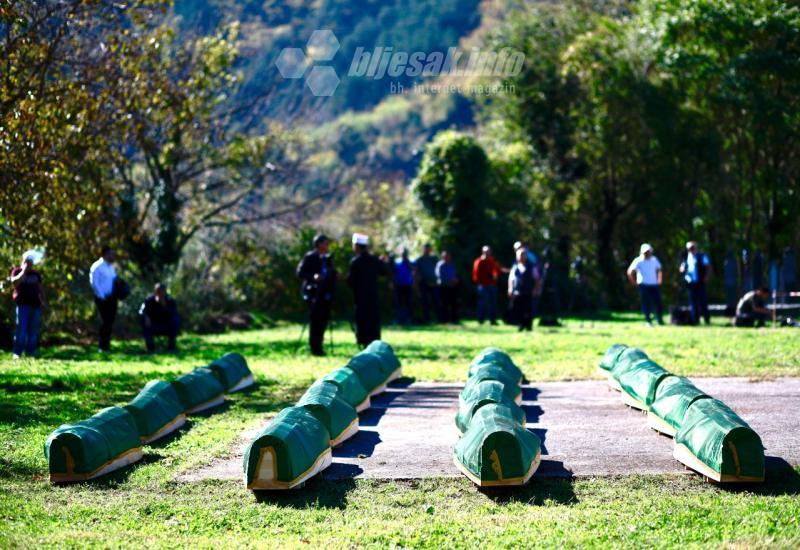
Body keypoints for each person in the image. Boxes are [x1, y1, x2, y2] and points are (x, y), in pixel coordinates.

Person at [296, 234, 337, 356]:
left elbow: (331, 273)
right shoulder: (310, 257)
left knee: (324, 319)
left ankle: (320, 345)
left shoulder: (327, 258)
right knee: (315, 320)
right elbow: (300, 272)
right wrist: (313, 277)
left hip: (325, 293)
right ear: (318, 244)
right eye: (325, 243)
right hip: (313, 293)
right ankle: (314, 347)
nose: (327, 246)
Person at [347, 233, 387, 347]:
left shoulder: (355, 261)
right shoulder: (374, 260)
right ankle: (374, 342)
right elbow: (384, 271)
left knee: (362, 319)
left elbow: (351, 281)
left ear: (356, 246)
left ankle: (363, 341)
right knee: (373, 320)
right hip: (373, 295)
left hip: (360, 297)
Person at [9, 252, 45, 359]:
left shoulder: (36, 274)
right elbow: (14, 283)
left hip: (35, 305)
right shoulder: (17, 271)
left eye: (30, 263)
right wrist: (23, 272)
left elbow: (40, 289)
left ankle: (31, 352)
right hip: (22, 305)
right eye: (26, 262)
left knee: (33, 331)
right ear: (22, 261)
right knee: (21, 329)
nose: (28, 264)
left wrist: (44, 301)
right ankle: (17, 353)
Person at [627, 243, 664, 326]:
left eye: (648, 251)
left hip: (654, 284)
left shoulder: (654, 260)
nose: (647, 253)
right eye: (646, 252)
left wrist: (660, 279)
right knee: (646, 303)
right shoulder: (638, 260)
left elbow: (659, 270)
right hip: (643, 285)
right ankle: (648, 321)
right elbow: (630, 272)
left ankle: (659, 320)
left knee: (658, 302)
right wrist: (634, 282)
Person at [90, 246, 118, 352]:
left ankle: (107, 345)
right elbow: (94, 283)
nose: (112, 256)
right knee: (104, 322)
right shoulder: (97, 266)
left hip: (112, 298)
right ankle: (101, 346)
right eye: (110, 254)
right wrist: (102, 296)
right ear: (104, 254)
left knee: (109, 322)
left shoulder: (111, 267)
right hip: (102, 298)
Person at [139, 283, 180, 353]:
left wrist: (164, 305)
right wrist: (146, 317)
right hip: (153, 325)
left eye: (161, 292)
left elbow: (174, 313)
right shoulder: (149, 300)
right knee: (144, 322)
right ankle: (150, 348)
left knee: (176, 320)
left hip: (166, 325)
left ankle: (171, 347)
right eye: (158, 291)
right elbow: (141, 311)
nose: (159, 294)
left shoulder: (170, 300)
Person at [472, 246, 507, 325]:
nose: (488, 253)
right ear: (483, 252)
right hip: (483, 286)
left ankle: (493, 320)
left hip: (492, 285)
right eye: (486, 251)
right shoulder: (479, 261)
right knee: (482, 303)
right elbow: (475, 275)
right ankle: (480, 320)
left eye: (489, 251)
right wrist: (480, 283)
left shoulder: (491, 260)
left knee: (493, 303)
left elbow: (498, 269)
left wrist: (508, 270)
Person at [680, 241, 712, 325]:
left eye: (692, 248)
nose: (691, 250)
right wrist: (682, 270)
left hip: (700, 282)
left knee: (703, 301)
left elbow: (708, 267)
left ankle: (707, 319)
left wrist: (706, 277)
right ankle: (695, 320)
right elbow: (681, 268)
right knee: (693, 303)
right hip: (690, 283)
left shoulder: (701, 256)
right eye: (689, 248)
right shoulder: (685, 257)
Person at [508, 247, 537, 331]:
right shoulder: (515, 267)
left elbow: (537, 279)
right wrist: (510, 288)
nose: (520, 257)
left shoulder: (531, 267)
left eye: (521, 255)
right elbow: (511, 278)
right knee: (518, 309)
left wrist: (535, 289)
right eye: (519, 255)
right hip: (517, 292)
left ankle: (528, 326)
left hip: (528, 291)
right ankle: (520, 324)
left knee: (528, 309)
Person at [414, 244, 440, 323]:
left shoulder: (434, 259)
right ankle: (427, 319)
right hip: (423, 284)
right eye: (426, 249)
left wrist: (436, 281)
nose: (427, 250)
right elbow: (416, 272)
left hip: (434, 284)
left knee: (437, 301)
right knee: (425, 302)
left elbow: (438, 270)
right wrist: (417, 285)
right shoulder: (419, 260)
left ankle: (439, 318)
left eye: (428, 249)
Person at [436, 251, 460, 323]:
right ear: (442, 257)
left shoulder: (452, 265)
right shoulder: (440, 265)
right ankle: (444, 320)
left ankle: (454, 319)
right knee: (444, 304)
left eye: (448, 256)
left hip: (452, 287)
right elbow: (440, 276)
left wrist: (456, 279)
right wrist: (451, 280)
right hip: (443, 287)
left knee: (453, 304)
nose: (446, 257)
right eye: (445, 256)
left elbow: (455, 274)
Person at [392, 249, 414, 325]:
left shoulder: (411, 262)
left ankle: (408, 319)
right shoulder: (397, 262)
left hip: (408, 285)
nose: (404, 255)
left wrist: (407, 262)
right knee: (399, 303)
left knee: (408, 303)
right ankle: (399, 319)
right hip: (399, 285)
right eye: (402, 254)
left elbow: (413, 270)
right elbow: (393, 273)